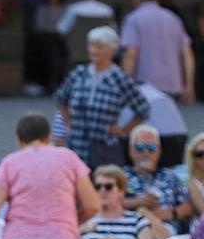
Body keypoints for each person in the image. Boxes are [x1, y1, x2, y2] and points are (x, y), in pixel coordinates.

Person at [53, 26, 150, 168]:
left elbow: (143, 109)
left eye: (99, 47)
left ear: (111, 50)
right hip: (77, 146)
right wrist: (68, 120)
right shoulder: (79, 73)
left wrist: (123, 130)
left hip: (104, 148)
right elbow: (60, 98)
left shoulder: (119, 78)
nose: (94, 50)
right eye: (91, 45)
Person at [121, 0, 195, 109]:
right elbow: (187, 53)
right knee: (168, 123)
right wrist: (189, 84)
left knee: (144, 125)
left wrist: (124, 84)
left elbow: (131, 54)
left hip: (143, 83)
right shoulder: (174, 19)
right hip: (171, 83)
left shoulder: (133, 19)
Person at [123, 123, 192, 239]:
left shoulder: (170, 176)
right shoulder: (121, 175)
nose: (146, 153)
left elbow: (188, 205)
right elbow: (105, 201)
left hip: (166, 226)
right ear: (131, 151)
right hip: (130, 227)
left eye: (151, 148)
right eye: (140, 148)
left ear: (159, 152)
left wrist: (172, 213)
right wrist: (137, 202)